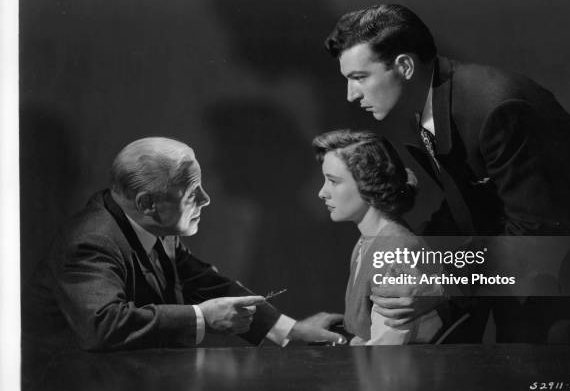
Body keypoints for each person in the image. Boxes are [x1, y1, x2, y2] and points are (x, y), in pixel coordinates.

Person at [324, 4, 570, 342]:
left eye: (359, 77)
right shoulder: (429, 103)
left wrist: (440, 284)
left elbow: (536, 236)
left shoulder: (496, 108)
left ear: (404, 66)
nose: (351, 94)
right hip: (525, 281)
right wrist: (415, 255)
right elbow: (469, 206)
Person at [23, 137, 345, 360]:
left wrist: (289, 329)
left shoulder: (152, 225)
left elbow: (202, 281)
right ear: (147, 203)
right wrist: (201, 319)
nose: (206, 200)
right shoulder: (89, 241)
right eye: (192, 192)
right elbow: (103, 325)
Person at [313, 129, 444, 345]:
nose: (322, 192)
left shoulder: (395, 251)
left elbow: (387, 350)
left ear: (369, 182)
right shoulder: (365, 243)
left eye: (333, 181)